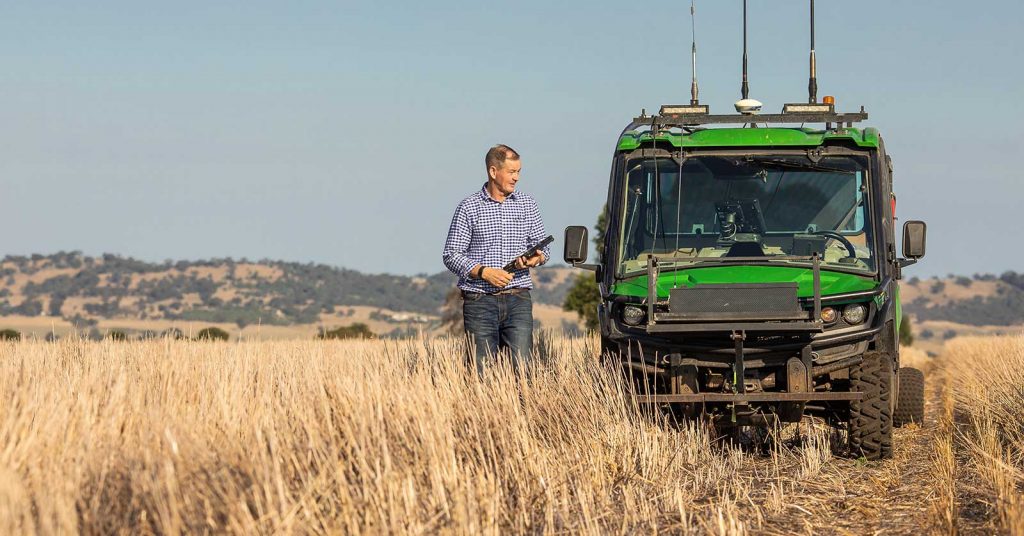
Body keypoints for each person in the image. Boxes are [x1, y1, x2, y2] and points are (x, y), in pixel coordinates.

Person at [442, 144, 550, 375]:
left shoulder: (527, 205)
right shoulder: (469, 207)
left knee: (523, 371)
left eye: (519, 172)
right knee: (481, 372)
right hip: (479, 301)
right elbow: (451, 254)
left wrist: (534, 260)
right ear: (493, 171)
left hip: (518, 298)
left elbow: (543, 249)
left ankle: (521, 410)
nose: (517, 178)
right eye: (512, 172)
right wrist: (483, 272)